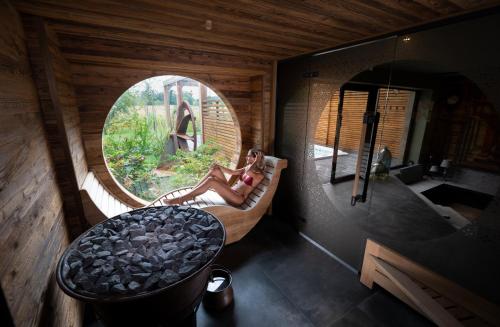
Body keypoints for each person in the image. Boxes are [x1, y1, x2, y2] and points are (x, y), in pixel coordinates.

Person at [163, 149, 266, 206]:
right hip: (231, 192)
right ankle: (193, 192)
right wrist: (218, 166)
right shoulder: (247, 167)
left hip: (237, 198)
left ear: (256, 158)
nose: (246, 157)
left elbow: (249, 172)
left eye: (249, 156)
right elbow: (232, 172)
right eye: (247, 155)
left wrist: (256, 162)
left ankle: (181, 199)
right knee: (215, 170)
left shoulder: (259, 175)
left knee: (211, 181)